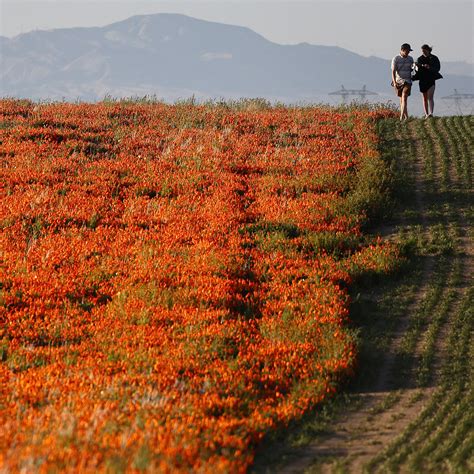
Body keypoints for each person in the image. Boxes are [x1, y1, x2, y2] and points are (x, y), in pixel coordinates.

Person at [414, 44, 443, 118]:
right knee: (424, 98)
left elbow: (437, 68)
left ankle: (431, 113)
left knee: (430, 97)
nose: (423, 52)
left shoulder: (434, 58)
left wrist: (429, 67)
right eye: (422, 51)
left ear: (428, 50)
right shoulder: (419, 59)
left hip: (431, 79)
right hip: (422, 80)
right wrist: (417, 66)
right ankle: (426, 114)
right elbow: (417, 71)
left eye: (424, 51)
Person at [391, 43, 415, 121]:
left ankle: (401, 117)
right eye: (407, 51)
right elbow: (393, 71)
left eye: (409, 51)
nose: (408, 53)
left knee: (404, 97)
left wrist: (414, 67)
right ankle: (406, 117)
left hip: (408, 81)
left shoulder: (410, 59)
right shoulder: (396, 59)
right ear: (402, 50)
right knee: (402, 100)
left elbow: (413, 69)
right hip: (399, 82)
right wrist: (394, 82)